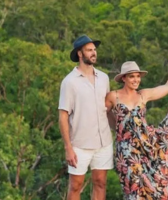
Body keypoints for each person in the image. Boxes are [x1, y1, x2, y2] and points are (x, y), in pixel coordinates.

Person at [105, 56, 168, 200]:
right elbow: (102, 114)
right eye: (131, 77)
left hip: (146, 146)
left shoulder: (143, 95)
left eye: (137, 76)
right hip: (126, 150)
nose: (136, 80)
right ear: (124, 78)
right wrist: (117, 127)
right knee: (132, 187)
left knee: (151, 187)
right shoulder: (113, 96)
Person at [58, 35, 113, 200]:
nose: (94, 53)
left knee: (100, 183)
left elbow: (108, 109)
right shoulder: (69, 82)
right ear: (80, 54)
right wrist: (68, 148)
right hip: (79, 144)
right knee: (75, 186)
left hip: (104, 142)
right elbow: (62, 116)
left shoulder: (104, 78)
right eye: (89, 50)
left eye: (94, 50)